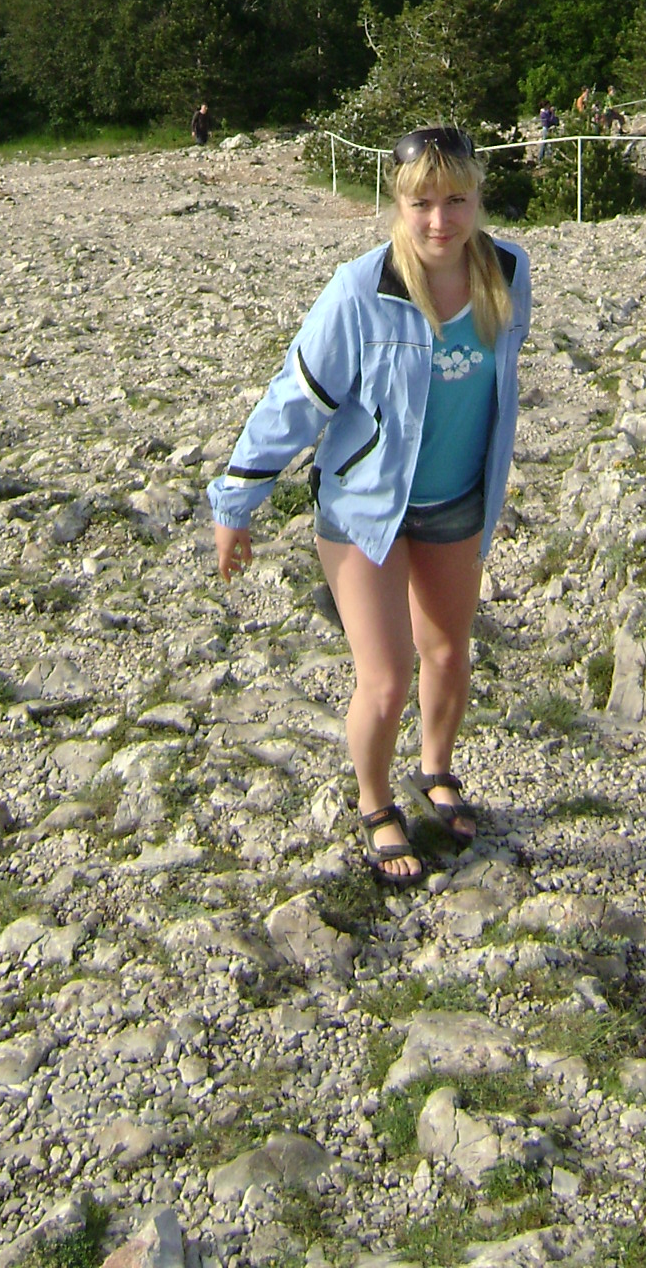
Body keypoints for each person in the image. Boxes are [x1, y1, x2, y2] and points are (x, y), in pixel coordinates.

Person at [208, 128, 532, 885]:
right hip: (363, 511)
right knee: (385, 678)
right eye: (422, 203)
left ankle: (437, 770)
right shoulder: (360, 289)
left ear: (478, 198)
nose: (440, 221)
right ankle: (375, 803)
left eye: (457, 200)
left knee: (448, 653)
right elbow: (297, 397)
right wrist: (237, 500)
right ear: (398, 202)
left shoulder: (509, 272)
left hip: (457, 500)